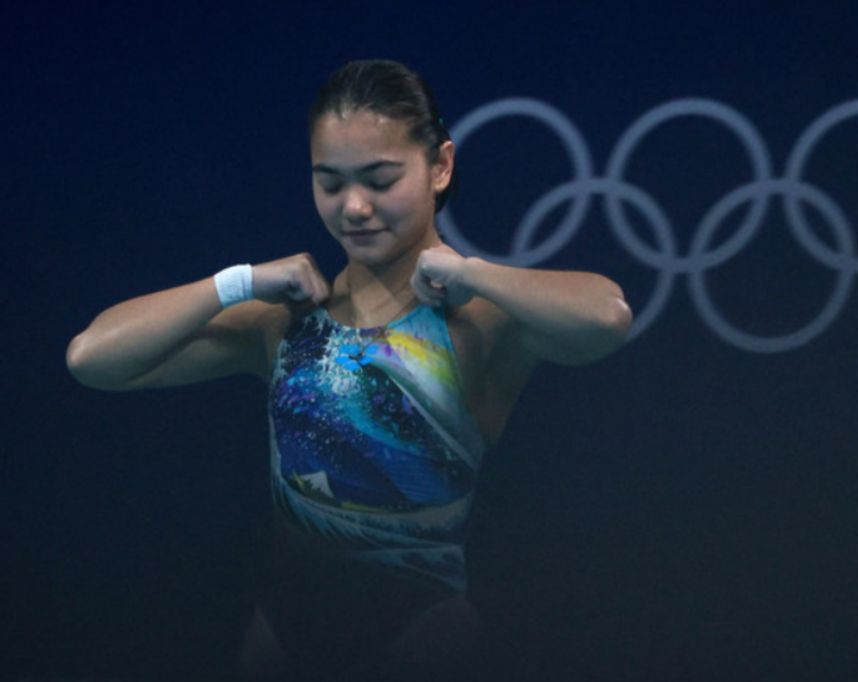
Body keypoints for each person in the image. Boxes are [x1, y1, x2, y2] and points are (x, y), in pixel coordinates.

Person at [66, 59, 632, 680]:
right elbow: (93, 359)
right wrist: (239, 283)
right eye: (330, 183)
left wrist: (473, 272)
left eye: (381, 180)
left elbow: (606, 317)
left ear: (440, 166)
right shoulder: (285, 319)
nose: (354, 206)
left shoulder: (478, 321)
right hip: (280, 632)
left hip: (423, 630)